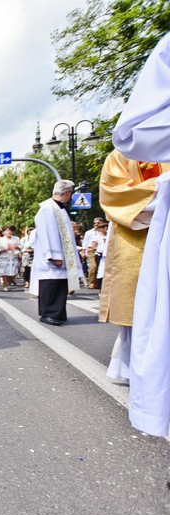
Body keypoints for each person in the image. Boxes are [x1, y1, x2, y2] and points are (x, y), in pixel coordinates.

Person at [110, 30, 170, 436]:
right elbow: (115, 192)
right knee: (142, 310)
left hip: (156, 225)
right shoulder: (120, 159)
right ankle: (128, 366)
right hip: (136, 233)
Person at [96, 151, 167, 383]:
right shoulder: (121, 155)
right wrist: (163, 187)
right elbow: (114, 195)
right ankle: (134, 369)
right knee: (137, 302)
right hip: (133, 238)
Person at [29, 179, 83, 326]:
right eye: (71, 193)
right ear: (67, 193)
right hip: (52, 257)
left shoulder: (59, 209)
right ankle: (48, 314)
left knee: (60, 285)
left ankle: (58, 313)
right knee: (51, 284)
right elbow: (48, 234)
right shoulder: (47, 209)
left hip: (61, 257)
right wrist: (55, 255)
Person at [0, 226, 21, 291]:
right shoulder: (0, 240)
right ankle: (5, 285)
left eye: (10, 230)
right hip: (4, 257)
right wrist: (5, 249)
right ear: (4, 232)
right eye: (7, 230)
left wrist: (16, 247)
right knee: (4, 272)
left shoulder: (16, 239)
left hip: (13, 257)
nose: (9, 232)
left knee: (13, 272)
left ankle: (10, 281)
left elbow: (21, 247)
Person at [81, 217, 104, 288]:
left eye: (98, 223)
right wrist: (83, 252)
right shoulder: (89, 232)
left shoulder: (103, 232)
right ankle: (91, 282)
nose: (96, 224)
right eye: (95, 223)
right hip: (91, 250)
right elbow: (84, 243)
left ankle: (97, 283)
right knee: (93, 266)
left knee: (99, 267)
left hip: (100, 250)